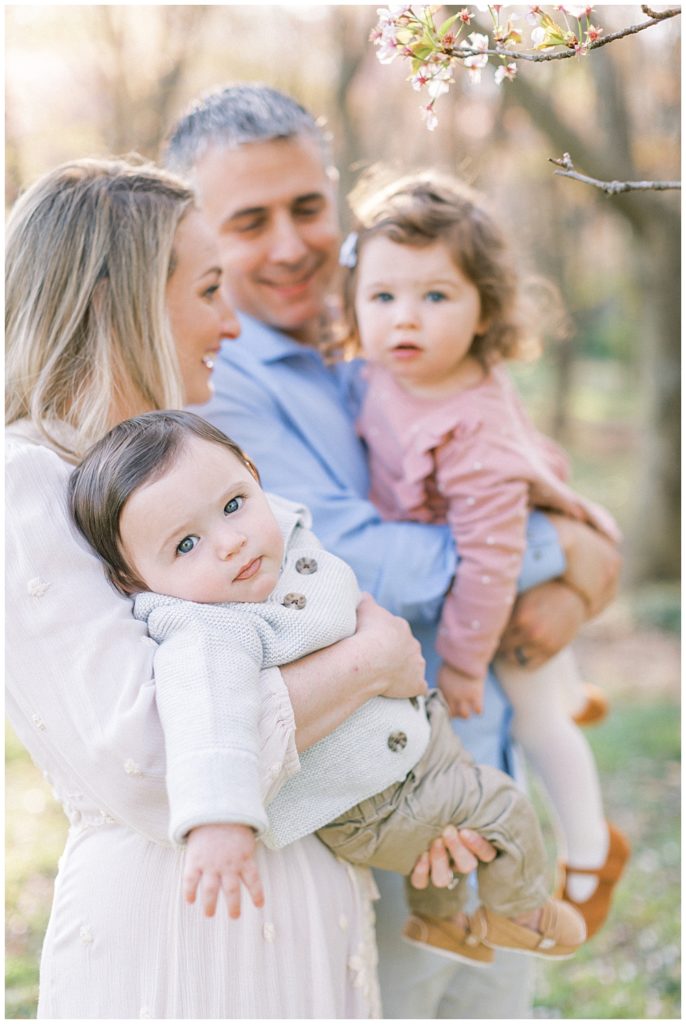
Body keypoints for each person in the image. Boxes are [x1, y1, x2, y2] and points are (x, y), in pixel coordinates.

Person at [163, 82, 622, 1019]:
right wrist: (570, 554)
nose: (292, 245)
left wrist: (573, 568)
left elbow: (507, 458)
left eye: (306, 207)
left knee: (497, 999)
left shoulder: (395, 321)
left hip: (484, 756)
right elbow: (352, 558)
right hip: (372, 805)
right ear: (202, 235)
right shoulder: (222, 389)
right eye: (249, 222)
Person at [5, 156, 470, 1019]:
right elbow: (151, 764)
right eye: (210, 290)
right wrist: (370, 662)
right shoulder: (24, 484)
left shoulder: (192, 472)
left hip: (304, 898)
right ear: (122, 301)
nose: (232, 324)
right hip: (183, 935)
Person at [69, 408, 587, 965]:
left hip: (411, 747)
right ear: (133, 578)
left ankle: (443, 923)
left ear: (251, 472)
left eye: (233, 505)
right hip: (376, 801)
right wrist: (218, 819)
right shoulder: (207, 630)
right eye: (185, 545)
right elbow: (208, 721)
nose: (229, 543)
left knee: (453, 838)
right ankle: (521, 913)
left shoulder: (283, 531)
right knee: (500, 804)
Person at [344, 169, 631, 940]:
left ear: (483, 311)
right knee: (543, 690)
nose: (406, 319)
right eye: (384, 297)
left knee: (532, 715)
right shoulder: (385, 370)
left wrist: (467, 662)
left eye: (436, 297)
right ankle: (571, 689)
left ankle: (588, 853)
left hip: (498, 584)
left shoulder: (473, 432)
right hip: (486, 564)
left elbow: (490, 562)